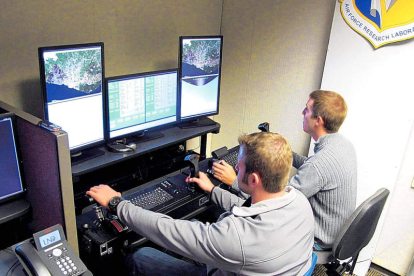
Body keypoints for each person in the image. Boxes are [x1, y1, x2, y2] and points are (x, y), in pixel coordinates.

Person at [87, 132, 315, 276]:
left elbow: (167, 230)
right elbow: (248, 210)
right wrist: (213, 189)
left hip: (230, 266)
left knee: (140, 257)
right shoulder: (300, 202)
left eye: (241, 165)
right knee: (195, 221)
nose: (236, 168)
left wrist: (117, 203)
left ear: (254, 179)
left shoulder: (237, 238)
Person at [212, 90, 357, 250]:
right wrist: (280, 151)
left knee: (235, 213)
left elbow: (272, 201)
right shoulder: (343, 145)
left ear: (318, 120)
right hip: (337, 231)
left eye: (307, 110)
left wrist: (233, 181)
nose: (302, 113)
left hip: (319, 238)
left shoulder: (318, 166)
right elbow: (310, 165)